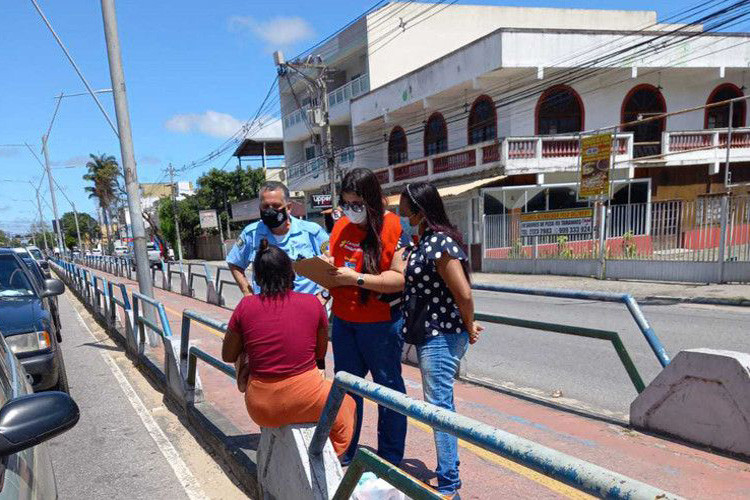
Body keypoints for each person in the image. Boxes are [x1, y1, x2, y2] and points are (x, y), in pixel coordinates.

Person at [221, 240, 356, 455]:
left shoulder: (245, 306)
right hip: (308, 398)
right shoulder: (312, 303)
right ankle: (331, 458)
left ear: (257, 277)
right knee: (347, 403)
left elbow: (227, 355)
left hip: (261, 406)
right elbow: (319, 354)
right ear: (291, 273)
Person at [397, 181, 483, 497]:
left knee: (439, 407)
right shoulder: (427, 242)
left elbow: (463, 292)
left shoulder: (440, 244)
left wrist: (470, 324)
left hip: (440, 335)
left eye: (406, 210)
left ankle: (449, 484)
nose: (403, 215)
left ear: (421, 210)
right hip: (430, 332)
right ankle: (448, 476)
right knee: (438, 405)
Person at [326, 168, 408, 466]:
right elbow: (334, 262)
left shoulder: (395, 227)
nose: (352, 211)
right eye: (347, 204)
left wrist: (357, 279)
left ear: (372, 200)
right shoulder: (341, 227)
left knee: (388, 392)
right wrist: (324, 268)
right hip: (345, 323)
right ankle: (345, 452)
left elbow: (399, 279)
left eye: (357, 204)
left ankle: (389, 460)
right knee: (347, 389)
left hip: (380, 324)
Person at [227, 181, 329, 298]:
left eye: (276, 206)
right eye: (265, 207)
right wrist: (248, 294)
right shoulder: (251, 234)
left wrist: (324, 296)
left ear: (289, 207)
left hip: (305, 309)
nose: (270, 211)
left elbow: (334, 262)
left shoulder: (312, 232)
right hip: (266, 309)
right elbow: (235, 263)